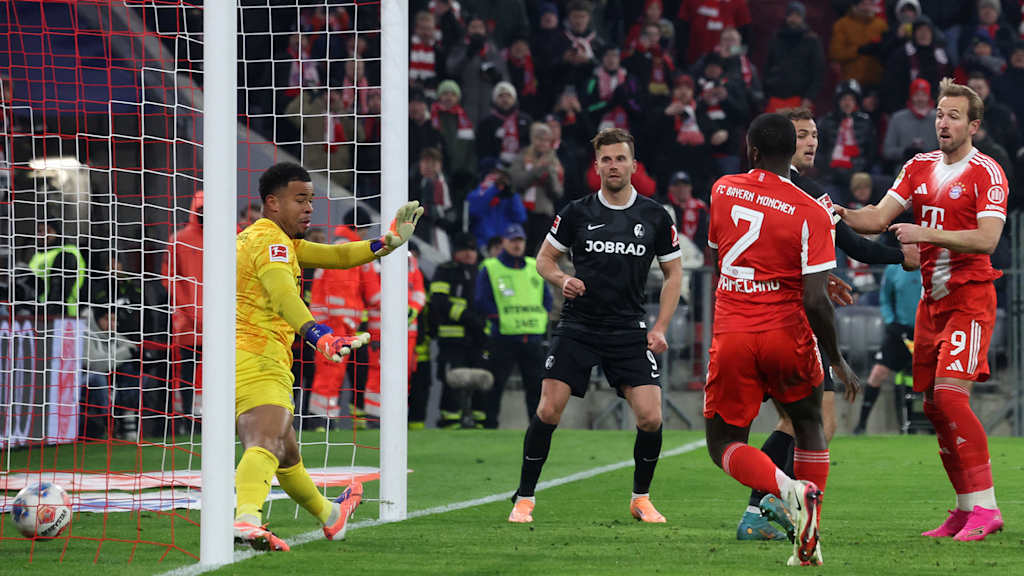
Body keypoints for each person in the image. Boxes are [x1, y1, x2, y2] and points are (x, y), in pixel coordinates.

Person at [838, 78, 1007, 541]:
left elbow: (988, 239)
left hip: (970, 298)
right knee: (933, 407)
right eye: (939, 114)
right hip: (931, 304)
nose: (943, 123)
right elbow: (875, 218)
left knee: (952, 398)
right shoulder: (918, 166)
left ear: (974, 125)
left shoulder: (987, 172)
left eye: (954, 116)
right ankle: (965, 507)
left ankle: (988, 507)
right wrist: (834, 211)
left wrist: (925, 235)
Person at [736, 106, 915, 542]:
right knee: (816, 424)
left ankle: (763, 507)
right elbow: (857, 246)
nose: (811, 142)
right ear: (780, 142)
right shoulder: (807, 193)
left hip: (749, 316)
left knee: (797, 423)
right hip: (790, 321)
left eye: (815, 134)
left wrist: (818, 275)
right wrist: (902, 255)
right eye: (801, 135)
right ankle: (764, 507)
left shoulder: (747, 189)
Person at [232, 162, 422, 550]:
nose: (309, 208)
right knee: (265, 439)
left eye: (311, 200)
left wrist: (386, 242)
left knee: (286, 452)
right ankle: (246, 518)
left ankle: (331, 516)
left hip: (243, 354)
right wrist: (318, 334)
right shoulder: (274, 244)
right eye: (299, 200)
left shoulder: (263, 237)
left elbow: (336, 256)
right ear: (272, 202)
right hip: (257, 356)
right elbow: (285, 294)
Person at [705, 113, 860, 566]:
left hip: (733, 329)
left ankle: (786, 489)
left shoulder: (722, 189)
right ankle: (809, 542)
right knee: (810, 427)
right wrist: (836, 360)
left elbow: (721, 260)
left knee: (723, 444)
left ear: (751, 150)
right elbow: (816, 300)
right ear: (791, 149)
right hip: (785, 333)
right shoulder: (811, 208)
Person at [508, 128, 683, 524]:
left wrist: (660, 327)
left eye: (621, 158)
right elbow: (544, 260)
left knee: (651, 417)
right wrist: (561, 280)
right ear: (597, 166)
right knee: (549, 409)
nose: (614, 166)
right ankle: (525, 498)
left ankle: (641, 499)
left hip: (628, 329)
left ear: (634, 165)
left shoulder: (655, 216)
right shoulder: (576, 212)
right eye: (606, 159)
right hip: (579, 326)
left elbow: (674, 274)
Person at [474, 223, 552, 428]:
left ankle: (537, 429)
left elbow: (547, 299)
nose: (517, 245)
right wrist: (498, 319)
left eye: (520, 240)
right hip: (503, 337)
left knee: (536, 387)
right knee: (496, 385)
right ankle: (490, 426)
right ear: (504, 243)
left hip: (532, 337)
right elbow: (482, 300)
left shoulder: (534, 267)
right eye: (513, 241)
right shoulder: (491, 267)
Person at [854, 263, 922, 435]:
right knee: (878, 373)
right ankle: (861, 425)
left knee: (932, 380)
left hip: (927, 331)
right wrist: (891, 321)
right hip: (900, 331)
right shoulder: (893, 270)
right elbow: (885, 299)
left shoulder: (932, 266)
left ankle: (935, 427)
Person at [430, 232, 490, 428]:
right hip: (453, 338)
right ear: (456, 251)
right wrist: (465, 315)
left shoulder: (481, 272)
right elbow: (439, 301)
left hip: (477, 337)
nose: (469, 254)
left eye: (472, 249)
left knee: (481, 378)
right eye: (464, 249)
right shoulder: (445, 270)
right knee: (453, 380)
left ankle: (480, 420)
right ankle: (450, 419)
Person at [30, 219, 85, 317]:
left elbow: (63, 287)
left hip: (63, 312)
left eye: (48, 231)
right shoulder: (38, 255)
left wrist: (52, 309)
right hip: (40, 310)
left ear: (57, 231)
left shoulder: (68, 252)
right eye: (40, 231)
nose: (43, 235)